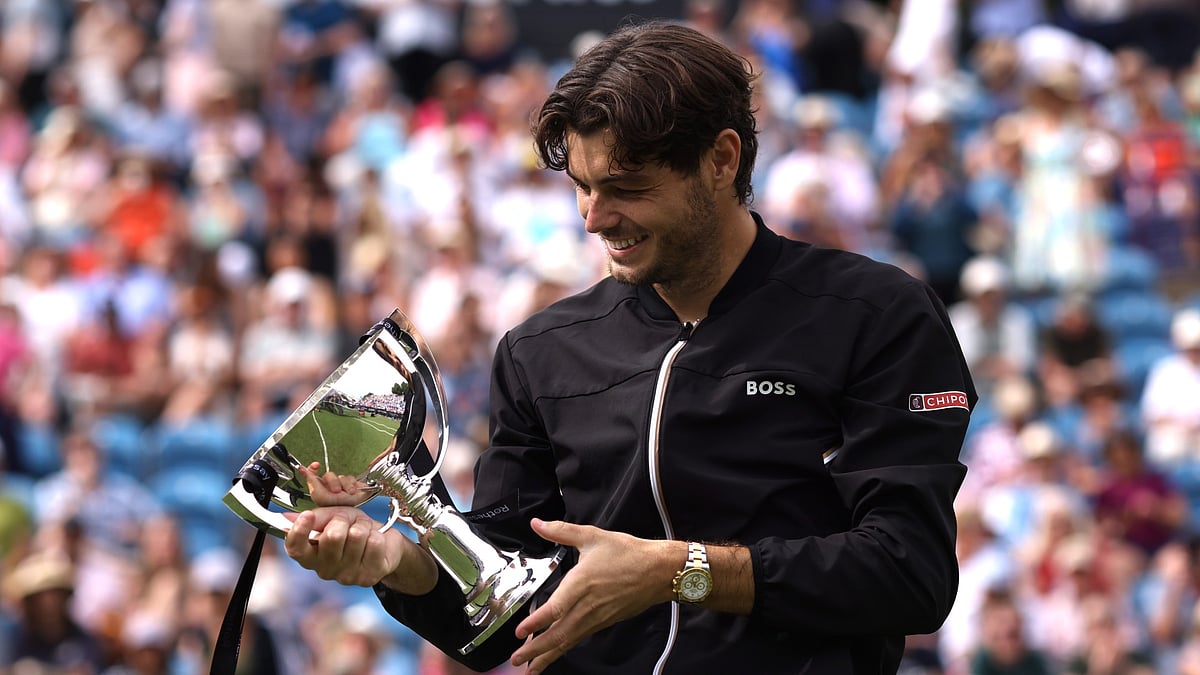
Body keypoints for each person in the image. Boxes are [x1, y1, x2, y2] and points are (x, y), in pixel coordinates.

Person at [284, 21, 975, 674]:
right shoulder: (539, 349)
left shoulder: (876, 313)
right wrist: (397, 564)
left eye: (624, 187)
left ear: (721, 160)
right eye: (582, 187)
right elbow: (503, 612)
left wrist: (679, 571)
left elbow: (908, 572)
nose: (593, 217)